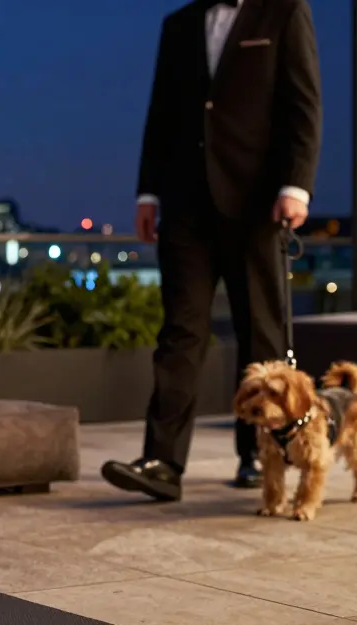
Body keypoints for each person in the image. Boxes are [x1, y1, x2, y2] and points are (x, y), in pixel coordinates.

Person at [102, 0, 322, 501]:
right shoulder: (177, 25)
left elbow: (303, 104)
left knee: (260, 334)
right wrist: (148, 193)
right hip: (184, 207)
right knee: (179, 333)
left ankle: (260, 455)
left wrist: (297, 186)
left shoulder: (284, 13)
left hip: (258, 204)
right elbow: (161, 111)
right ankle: (162, 462)